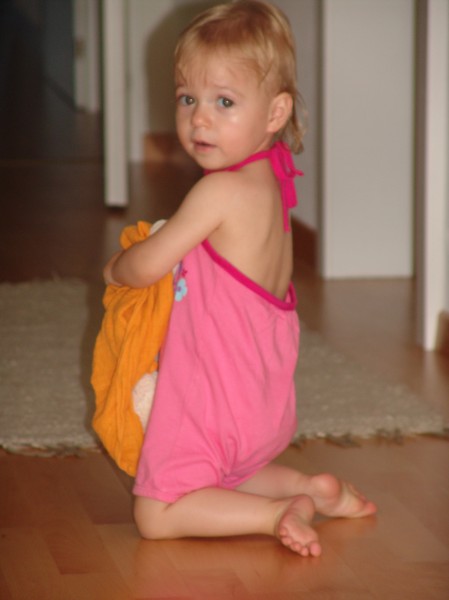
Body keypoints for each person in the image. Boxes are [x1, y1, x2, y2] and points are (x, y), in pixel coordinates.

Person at [103, 0, 377, 557]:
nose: (199, 119)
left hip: (212, 397)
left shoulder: (219, 190)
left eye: (223, 102)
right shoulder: (272, 183)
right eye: (188, 99)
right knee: (226, 472)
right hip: (262, 400)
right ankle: (309, 489)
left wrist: (115, 267)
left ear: (275, 113)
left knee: (155, 513)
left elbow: (147, 266)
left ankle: (275, 513)